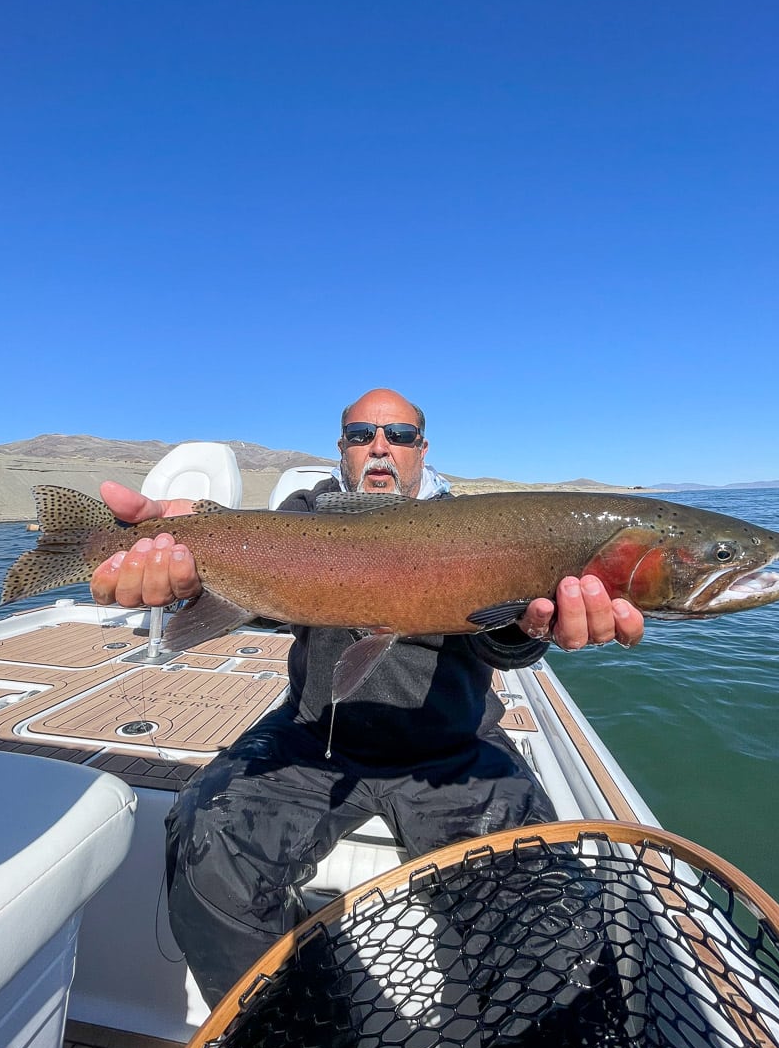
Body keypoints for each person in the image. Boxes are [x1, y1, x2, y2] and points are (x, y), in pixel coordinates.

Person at [91, 389, 644, 1012]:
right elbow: (256, 600)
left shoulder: (480, 531)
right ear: (343, 449)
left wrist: (530, 630)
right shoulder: (303, 518)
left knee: (544, 908)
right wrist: (186, 570)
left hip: (453, 750)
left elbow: (505, 643)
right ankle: (307, 1027)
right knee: (203, 846)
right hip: (313, 741)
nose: (381, 447)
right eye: (362, 434)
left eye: (400, 436)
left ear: (422, 450)